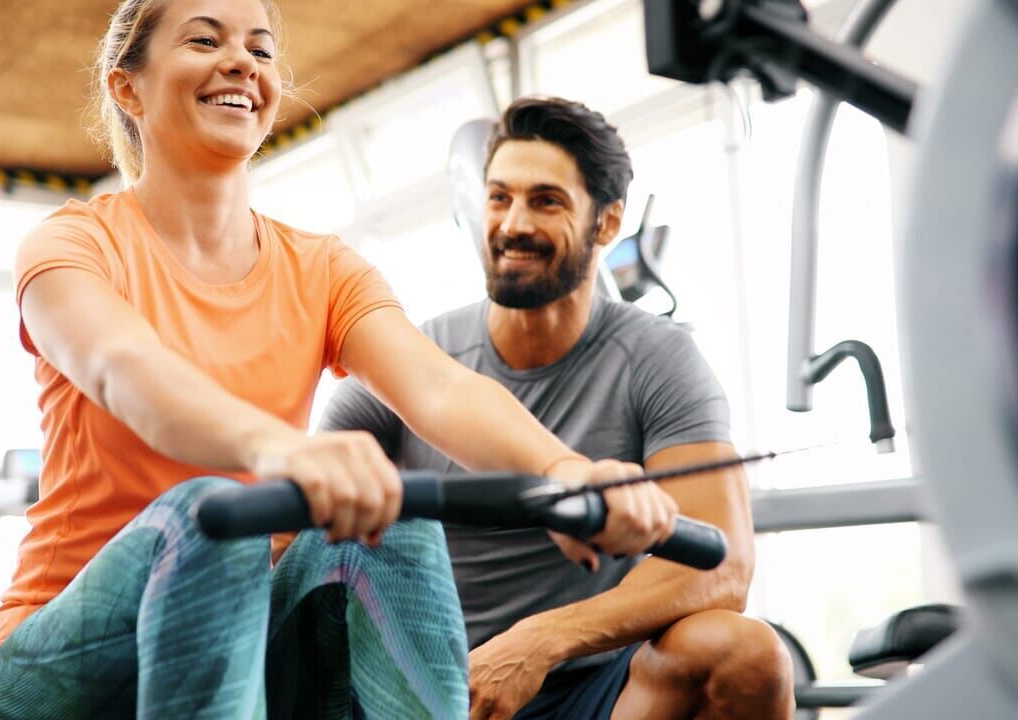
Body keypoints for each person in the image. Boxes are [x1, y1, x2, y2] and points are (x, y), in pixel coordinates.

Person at [0, 3, 681, 718]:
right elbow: (124, 368)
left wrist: (564, 471)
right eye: (205, 40)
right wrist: (281, 451)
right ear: (128, 88)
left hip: (244, 653)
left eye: (260, 50)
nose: (241, 62)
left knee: (390, 512)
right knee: (213, 515)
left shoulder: (323, 268)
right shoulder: (73, 245)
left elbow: (437, 386)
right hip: (59, 671)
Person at [322, 97, 795, 720]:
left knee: (747, 655)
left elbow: (725, 566)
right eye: (499, 198)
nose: (513, 224)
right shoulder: (411, 364)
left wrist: (541, 640)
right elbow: (294, 544)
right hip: (438, 691)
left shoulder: (657, 359)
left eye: (546, 201)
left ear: (606, 222)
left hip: (594, 687)